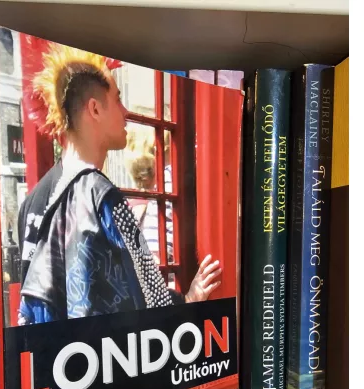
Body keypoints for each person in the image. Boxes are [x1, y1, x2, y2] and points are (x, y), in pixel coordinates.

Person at [17, 43, 221, 325]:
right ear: (95, 109)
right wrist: (188, 301)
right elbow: (151, 295)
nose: (125, 111)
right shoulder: (103, 195)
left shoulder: (33, 201)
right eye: (117, 99)